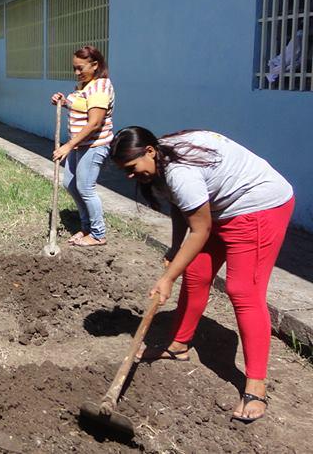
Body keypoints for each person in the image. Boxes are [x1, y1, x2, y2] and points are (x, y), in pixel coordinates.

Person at [110, 126, 294, 423]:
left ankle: (256, 386)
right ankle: (178, 345)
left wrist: (168, 278)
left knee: (242, 290)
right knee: (195, 273)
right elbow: (182, 207)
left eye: (131, 168)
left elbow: (200, 228)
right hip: (220, 209)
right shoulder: (160, 159)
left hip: (258, 206)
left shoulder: (180, 171)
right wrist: (174, 248)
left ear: (149, 151)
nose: (130, 176)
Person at [49, 45, 115, 247]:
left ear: (95, 65)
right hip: (80, 145)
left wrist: (68, 146)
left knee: (86, 188)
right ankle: (86, 226)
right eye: (74, 68)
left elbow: (94, 122)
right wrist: (63, 100)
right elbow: (80, 106)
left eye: (81, 68)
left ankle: (98, 233)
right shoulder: (85, 86)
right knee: (70, 183)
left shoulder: (100, 87)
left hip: (94, 146)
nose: (77, 73)